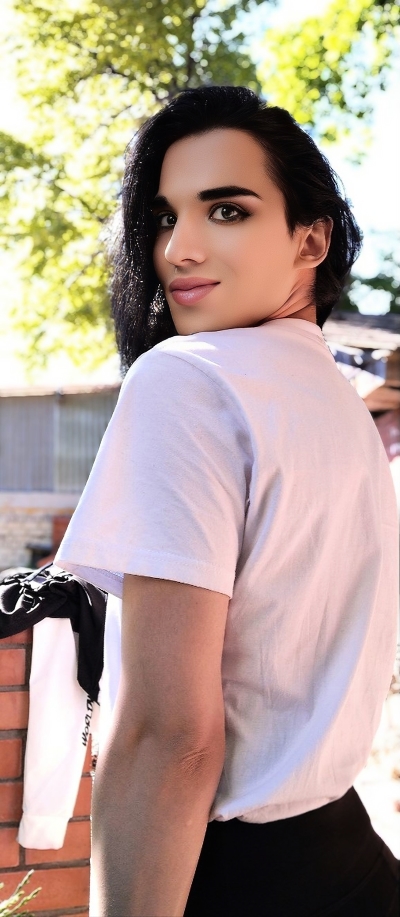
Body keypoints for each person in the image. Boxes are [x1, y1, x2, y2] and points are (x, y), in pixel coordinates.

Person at [55, 85, 399, 916]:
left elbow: (169, 737)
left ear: (311, 237)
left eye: (228, 210)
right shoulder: (339, 407)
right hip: (354, 861)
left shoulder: (186, 380)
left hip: (228, 877)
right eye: (164, 217)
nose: (179, 248)